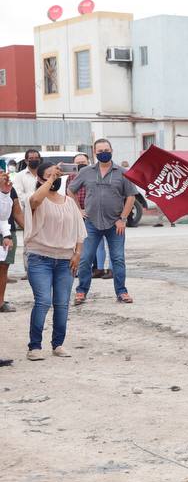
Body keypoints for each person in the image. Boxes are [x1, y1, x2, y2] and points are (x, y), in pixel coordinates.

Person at [23, 162, 84, 360]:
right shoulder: (35, 199)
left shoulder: (69, 202)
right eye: (49, 175)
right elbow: (34, 201)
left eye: (57, 175)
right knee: (43, 302)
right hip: (39, 258)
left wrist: (77, 253)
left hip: (65, 260)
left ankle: (58, 344)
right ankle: (34, 347)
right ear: (40, 179)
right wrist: (50, 180)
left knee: (62, 303)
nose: (55, 178)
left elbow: (79, 231)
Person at [69, 139, 136, 306]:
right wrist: (79, 210)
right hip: (91, 223)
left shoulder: (122, 172)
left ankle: (121, 292)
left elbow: (131, 196)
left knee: (118, 259)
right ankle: (81, 291)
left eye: (106, 149)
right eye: (100, 151)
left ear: (112, 150)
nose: (103, 152)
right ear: (94, 152)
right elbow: (71, 190)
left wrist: (123, 219)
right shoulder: (86, 172)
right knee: (85, 259)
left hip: (115, 225)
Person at [70, 153, 109, 278]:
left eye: (83, 162)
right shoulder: (71, 177)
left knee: (98, 244)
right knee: (79, 243)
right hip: (77, 214)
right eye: (78, 163)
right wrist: (79, 210)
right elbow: (69, 193)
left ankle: (98, 268)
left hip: (94, 214)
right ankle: (79, 269)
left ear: (88, 162)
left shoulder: (95, 175)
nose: (81, 165)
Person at [0, 170, 19, 313]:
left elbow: (3, 216)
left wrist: (5, 193)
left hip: (3, 233)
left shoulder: (5, 191)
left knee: (3, 267)